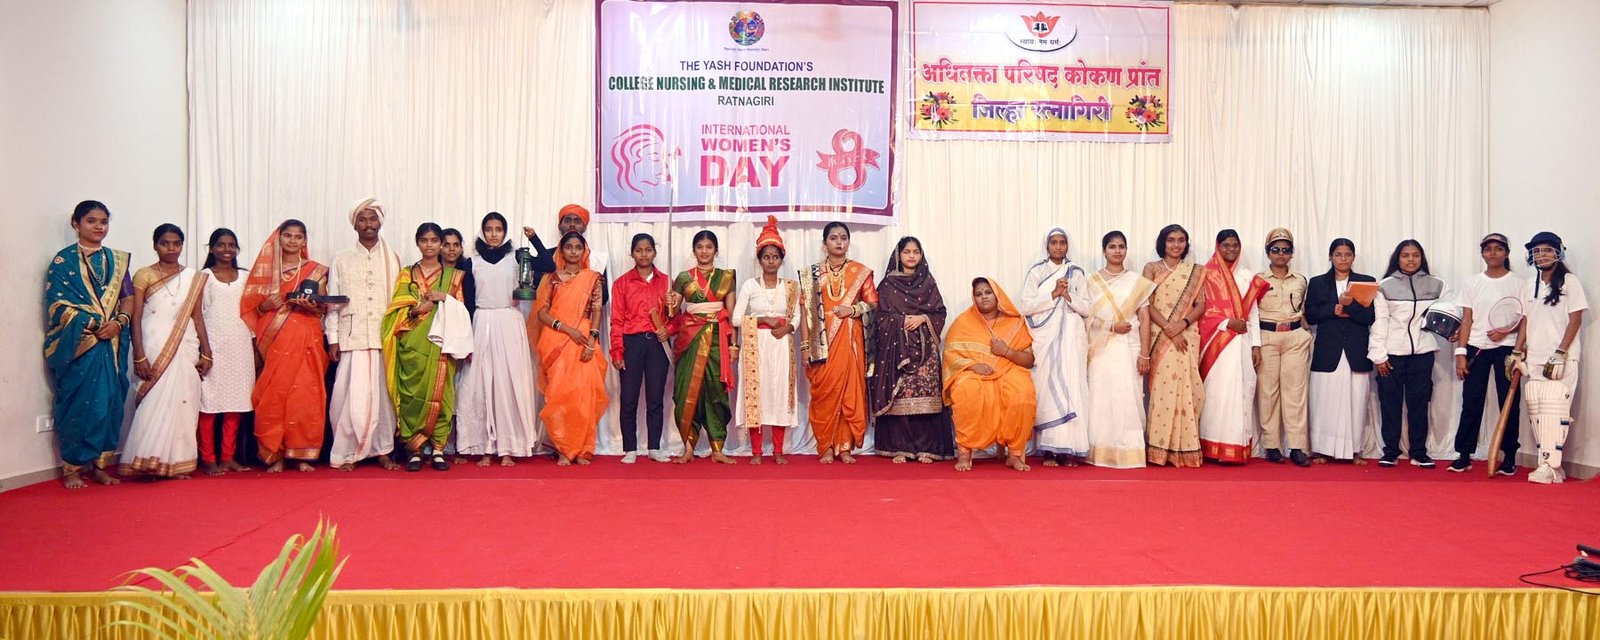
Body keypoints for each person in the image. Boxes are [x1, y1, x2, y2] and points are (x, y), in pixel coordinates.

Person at [45, 201, 134, 489]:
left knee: (108, 403)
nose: (99, 227)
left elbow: (128, 298)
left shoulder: (117, 261)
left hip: (112, 342)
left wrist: (119, 322)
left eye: (103, 222)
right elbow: (56, 305)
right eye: (91, 221)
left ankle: (100, 465)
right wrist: (93, 324)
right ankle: (72, 468)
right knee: (77, 404)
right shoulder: (63, 262)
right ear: (76, 223)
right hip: (79, 344)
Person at [120, 224, 211, 479]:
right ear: (155, 245)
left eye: (176, 243)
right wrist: (139, 355)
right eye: (165, 243)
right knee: (153, 401)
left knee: (183, 401)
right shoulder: (144, 274)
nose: (171, 248)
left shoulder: (192, 277)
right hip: (153, 345)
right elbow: (136, 317)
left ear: (182, 245)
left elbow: (197, 317)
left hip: (185, 346)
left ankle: (176, 462)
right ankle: (147, 460)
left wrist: (206, 351)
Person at [242, 220, 329, 473]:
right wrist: (265, 306)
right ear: (279, 239)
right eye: (288, 236)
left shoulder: (316, 270)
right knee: (274, 393)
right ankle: (275, 453)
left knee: (306, 394)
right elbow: (250, 307)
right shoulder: (265, 271)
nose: (292, 240)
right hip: (274, 339)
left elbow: (322, 307)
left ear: (305, 241)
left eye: (298, 237)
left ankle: (301, 453)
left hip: (306, 336)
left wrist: (312, 307)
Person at [382, 223, 469, 472]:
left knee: (442, 394)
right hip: (411, 343)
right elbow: (396, 309)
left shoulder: (453, 276)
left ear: (440, 244)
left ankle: (439, 449)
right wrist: (416, 310)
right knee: (411, 394)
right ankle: (415, 449)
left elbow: (461, 309)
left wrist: (445, 299)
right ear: (417, 243)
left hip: (441, 344)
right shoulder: (407, 274)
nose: (429, 245)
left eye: (433, 240)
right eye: (424, 240)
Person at [457, 212, 540, 466]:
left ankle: (508, 447)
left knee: (508, 383)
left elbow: (548, 265)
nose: (494, 234)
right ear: (483, 232)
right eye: (489, 229)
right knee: (482, 384)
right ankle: (484, 447)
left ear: (505, 232)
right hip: (481, 322)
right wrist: (466, 338)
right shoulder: (471, 263)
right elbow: (468, 302)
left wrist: (534, 239)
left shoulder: (516, 259)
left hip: (509, 322)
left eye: (498, 229)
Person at [324, 199, 402, 472]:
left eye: (373, 219)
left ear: (380, 222)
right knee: (348, 399)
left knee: (383, 400)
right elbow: (333, 301)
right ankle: (347, 452)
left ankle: (383, 450)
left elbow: (399, 301)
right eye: (362, 219)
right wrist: (332, 338)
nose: (368, 224)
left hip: (383, 337)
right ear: (354, 224)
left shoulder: (393, 258)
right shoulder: (341, 258)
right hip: (352, 337)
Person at [869, 236, 954, 464]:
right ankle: (900, 447)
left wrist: (923, 318)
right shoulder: (887, 285)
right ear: (899, 255)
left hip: (925, 348)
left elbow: (939, 312)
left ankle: (927, 447)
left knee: (926, 396)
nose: (911, 256)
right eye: (907, 252)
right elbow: (880, 317)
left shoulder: (928, 282)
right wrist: (901, 320)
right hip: (897, 350)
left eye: (916, 252)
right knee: (900, 397)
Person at [1369, 239, 1453, 468]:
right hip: (1392, 355)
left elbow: (1449, 311)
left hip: (1423, 353)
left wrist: (1450, 331)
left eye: (1415, 255)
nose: (1410, 260)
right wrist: (1379, 356)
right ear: (1398, 258)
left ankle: (1419, 452)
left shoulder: (1437, 284)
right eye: (1405, 255)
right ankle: (1390, 452)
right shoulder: (1384, 286)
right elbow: (1379, 322)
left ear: (1421, 258)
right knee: (1390, 404)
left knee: (1419, 404)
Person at [1510, 232, 1585, 484]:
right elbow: (1526, 320)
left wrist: (1561, 352)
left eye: (1547, 250)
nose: (1541, 255)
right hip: (1535, 358)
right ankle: (1550, 466)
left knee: (1555, 411)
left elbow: (1575, 319)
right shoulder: (1528, 284)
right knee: (1537, 411)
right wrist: (1517, 351)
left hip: (1561, 358)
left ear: (1558, 253)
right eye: (1537, 251)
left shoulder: (1570, 282)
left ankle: (1550, 466)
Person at [801, 222, 878, 464]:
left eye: (843, 237)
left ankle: (845, 447)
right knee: (824, 394)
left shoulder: (860, 272)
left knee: (849, 391)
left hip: (850, 340)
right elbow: (804, 312)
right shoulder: (812, 274)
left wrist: (853, 310)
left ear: (848, 242)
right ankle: (825, 446)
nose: (839, 242)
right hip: (821, 342)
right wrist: (805, 346)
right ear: (824, 244)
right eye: (833, 238)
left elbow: (874, 305)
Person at [944, 278, 1037, 472]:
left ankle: (1015, 454)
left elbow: (1029, 360)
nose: (984, 297)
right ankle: (965, 451)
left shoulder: (1015, 322)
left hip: (1009, 369)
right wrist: (973, 365)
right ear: (974, 298)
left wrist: (1007, 351)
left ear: (997, 295)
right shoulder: (963, 322)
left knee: (1022, 393)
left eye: (988, 292)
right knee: (967, 390)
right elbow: (951, 355)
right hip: (975, 373)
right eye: (978, 294)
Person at [1449, 233, 1523, 474]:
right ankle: (1464, 454)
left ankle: (1509, 456)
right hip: (1476, 348)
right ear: (1482, 253)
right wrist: (1461, 354)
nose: (1493, 253)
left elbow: (1525, 319)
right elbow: (1467, 320)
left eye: (1498, 249)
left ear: (1507, 253)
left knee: (1508, 403)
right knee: (1471, 401)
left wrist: (1506, 331)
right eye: (1488, 249)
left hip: (1508, 349)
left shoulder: (1519, 283)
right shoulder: (1472, 283)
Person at [1017, 228, 1091, 466]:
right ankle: (1049, 449)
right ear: (1047, 246)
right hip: (1046, 338)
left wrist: (1068, 296)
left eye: (1062, 243)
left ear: (1067, 246)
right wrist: (1053, 293)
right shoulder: (1037, 272)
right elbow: (1026, 306)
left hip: (1071, 336)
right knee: (1047, 388)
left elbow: (1087, 308)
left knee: (1072, 386)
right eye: (1054, 243)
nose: (1058, 247)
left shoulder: (1076, 272)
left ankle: (1069, 450)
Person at [535, 232, 610, 466]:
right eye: (569, 247)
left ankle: (584, 448)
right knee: (560, 395)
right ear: (562, 250)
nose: (574, 251)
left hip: (585, 339)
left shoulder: (593, 278)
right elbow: (541, 313)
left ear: (584, 251)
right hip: (557, 340)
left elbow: (597, 310)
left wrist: (591, 341)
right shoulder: (552, 279)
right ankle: (563, 448)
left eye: (578, 247)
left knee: (584, 395)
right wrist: (567, 329)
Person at [733, 217, 801, 465]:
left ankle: (779, 451)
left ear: (781, 259)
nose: (771, 261)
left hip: (781, 345)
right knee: (758, 395)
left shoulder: (791, 287)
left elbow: (797, 316)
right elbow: (737, 318)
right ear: (759, 260)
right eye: (766, 257)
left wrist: (787, 328)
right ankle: (757, 451)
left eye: (775, 257)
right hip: (756, 347)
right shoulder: (750, 286)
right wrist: (762, 319)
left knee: (779, 394)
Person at [1197, 230, 1269, 464]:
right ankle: (1212, 447)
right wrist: (1227, 323)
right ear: (1217, 246)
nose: (1231, 249)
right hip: (1217, 342)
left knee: (1243, 391)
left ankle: (1237, 447)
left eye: (1235, 245)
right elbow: (1202, 311)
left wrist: (1256, 345)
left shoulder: (1247, 276)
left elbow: (1253, 313)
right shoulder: (1206, 274)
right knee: (1217, 394)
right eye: (1226, 245)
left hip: (1243, 342)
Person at [1085, 232, 1155, 468]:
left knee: (1129, 398)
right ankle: (1100, 451)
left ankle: (1129, 452)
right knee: (1101, 397)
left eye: (1121, 246)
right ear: (1104, 251)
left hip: (1130, 347)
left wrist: (1145, 353)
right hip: (1102, 349)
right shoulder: (1091, 281)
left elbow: (1144, 319)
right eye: (1112, 246)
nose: (1117, 251)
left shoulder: (1136, 281)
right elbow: (1086, 318)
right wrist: (1111, 327)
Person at [667, 230, 738, 464]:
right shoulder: (683, 278)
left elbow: (731, 313)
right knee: (685, 391)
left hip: (718, 339)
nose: (704, 251)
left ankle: (717, 448)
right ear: (694, 250)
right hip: (689, 337)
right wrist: (670, 304)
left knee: (716, 392)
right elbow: (673, 313)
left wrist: (734, 344)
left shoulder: (727, 277)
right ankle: (688, 447)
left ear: (716, 250)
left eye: (709, 247)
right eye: (700, 247)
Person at [1305, 239, 1377, 464]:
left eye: (1347, 254)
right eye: (1338, 254)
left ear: (1353, 257)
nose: (1343, 258)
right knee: (1324, 400)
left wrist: (1349, 305)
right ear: (1330, 257)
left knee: (1356, 400)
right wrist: (1333, 309)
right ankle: (1322, 449)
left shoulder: (1366, 282)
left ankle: (1354, 450)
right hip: (1328, 350)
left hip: (1356, 349)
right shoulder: (1317, 283)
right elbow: (1311, 315)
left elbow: (1370, 317)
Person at [1142, 224, 1207, 467]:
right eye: (1171, 240)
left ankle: (1185, 448)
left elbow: (1201, 304)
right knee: (1163, 392)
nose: (1176, 245)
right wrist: (1170, 328)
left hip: (1187, 334)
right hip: (1160, 336)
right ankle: (1159, 450)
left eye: (1181, 240)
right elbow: (1146, 303)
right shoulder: (1151, 268)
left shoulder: (1196, 271)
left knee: (1190, 390)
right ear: (1163, 242)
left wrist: (1182, 324)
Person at [610, 233, 673, 464]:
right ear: (632, 253)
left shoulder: (667, 282)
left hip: (657, 343)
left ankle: (654, 447)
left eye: (648, 250)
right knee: (629, 397)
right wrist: (617, 350)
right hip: (631, 343)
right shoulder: (622, 283)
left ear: (655, 252)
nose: (644, 254)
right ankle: (630, 448)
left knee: (655, 397)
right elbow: (616, 320)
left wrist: (669, 329)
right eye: (639, 250)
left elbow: (676, 317)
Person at [1255, 228, 1313, 466]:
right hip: (1267, 336)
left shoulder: (1300, 280)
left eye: (1286, 250)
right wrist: (1254, 344)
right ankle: (1271, 445)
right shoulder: (1258, 280)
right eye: (1276, 249)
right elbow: (1250, 313)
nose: (1281, 254)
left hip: (1294, 337)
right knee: (1268, 391)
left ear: (1292, 253)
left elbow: (1304, 310)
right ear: (1268, 252)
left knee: (1295, 392)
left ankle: (1297, 447)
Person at [198, 228, 253, 475]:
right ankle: (209, 458)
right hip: (213, 345)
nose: (227, 250)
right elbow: (197, 315)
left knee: (235, 403)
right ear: (211, 249)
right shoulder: (204, 277)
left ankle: (228, 457)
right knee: (209, 403)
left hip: (240, 345)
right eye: (221, 245)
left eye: (232, 245)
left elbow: (252, 312)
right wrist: (203, 349)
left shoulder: (245, 277)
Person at [440, 227, 478, 315]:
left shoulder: (468, 272)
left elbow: (471, 304)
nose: (452, 249)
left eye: (456, 245)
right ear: (439, 248)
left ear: (461, 249)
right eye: (447, 245)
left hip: (464, 319)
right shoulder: (434, 273)